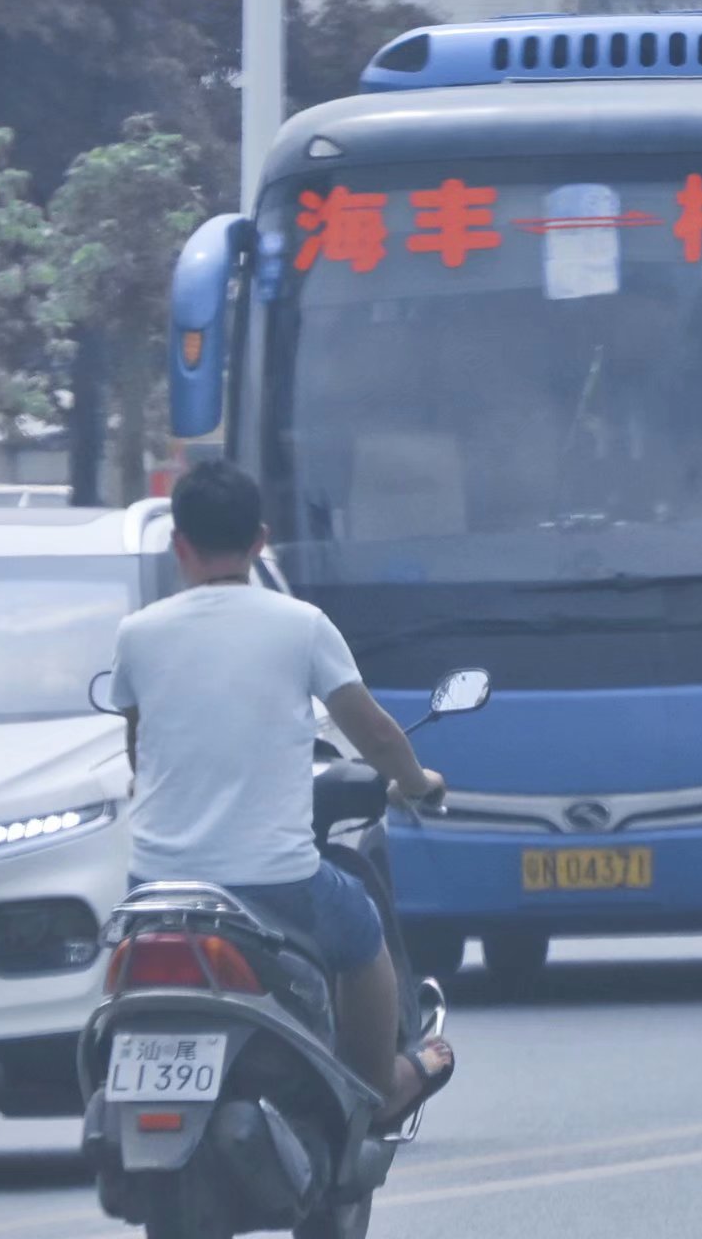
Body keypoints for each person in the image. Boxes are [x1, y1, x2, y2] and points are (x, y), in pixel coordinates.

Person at [110, 461, 453, 1128]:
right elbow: (376, 735)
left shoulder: (138, 635)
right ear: (260, 540)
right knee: (363, 935)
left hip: (155, 886)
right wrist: (418, 783)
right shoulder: (301, 626)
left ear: (180, 545)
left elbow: (139, 747)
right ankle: (377, 1085)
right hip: (275, 885)